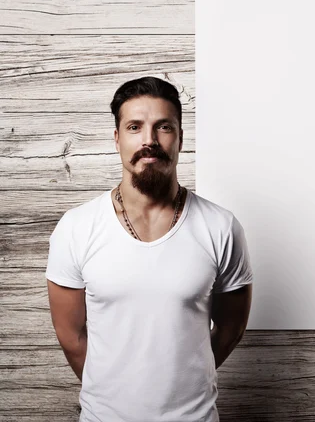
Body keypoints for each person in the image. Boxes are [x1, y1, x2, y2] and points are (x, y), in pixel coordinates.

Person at [45, 76, 253, 422]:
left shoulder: (221, 226)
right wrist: (117, 396)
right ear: (117, 139)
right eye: (134, 127)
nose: (149, 140)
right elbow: (71, 336)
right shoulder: (76, 227)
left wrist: (183, 384)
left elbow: (231, 329)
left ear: (181, 139)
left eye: (164, 127)